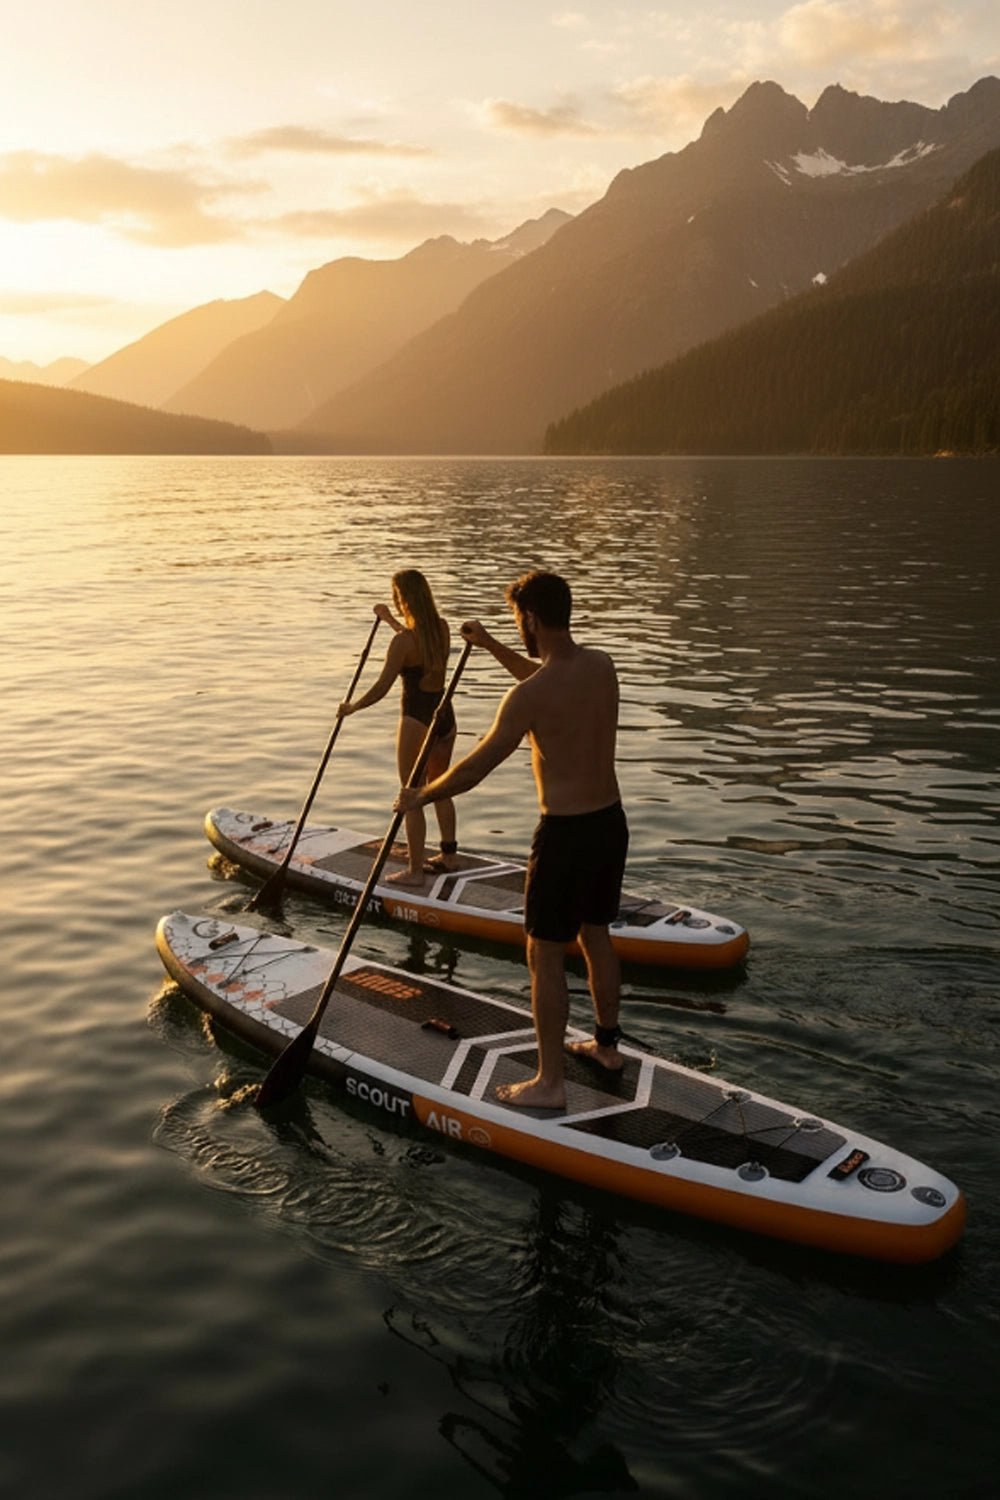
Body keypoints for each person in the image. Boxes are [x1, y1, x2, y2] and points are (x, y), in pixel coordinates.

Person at [395, 570, 628, 1109]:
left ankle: (549, 1083)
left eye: (516, 620)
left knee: (544, 954)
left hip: (565, 835)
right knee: (596, 934)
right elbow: (547, 679)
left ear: (532, 619)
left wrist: (419, 795)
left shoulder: (528, 697)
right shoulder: (600, 666)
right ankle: (608, 1046)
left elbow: (475, 770)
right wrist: (493, 644)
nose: (516, 627)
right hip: (610, 823)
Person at [338, 568, 460, 885]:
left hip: (417, 720)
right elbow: (410, 637)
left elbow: (381, 688)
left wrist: (353, 707)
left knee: (411, 795)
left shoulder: (403, 643)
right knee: (440, 787)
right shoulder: (442, 629)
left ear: (401, 598)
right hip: (444, 718)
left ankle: (416, 872)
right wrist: (390, 618)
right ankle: (449, 855)